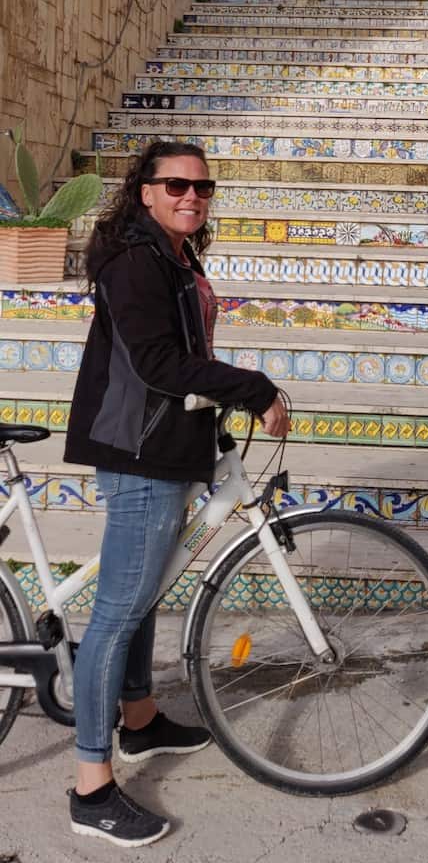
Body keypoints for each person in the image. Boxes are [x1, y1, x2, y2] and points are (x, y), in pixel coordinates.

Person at [63, 140, 290, 847]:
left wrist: (216, 421)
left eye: (203, 186)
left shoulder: (171, 254)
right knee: (117, 612)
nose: (192, 196)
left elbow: (184, 358)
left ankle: (140, 720)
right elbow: (160, 362)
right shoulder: (136, 261)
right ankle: (91, 788)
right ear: (146, 192)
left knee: (144, 595)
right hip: (138, 451)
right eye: (176, 185)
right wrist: (251, 389)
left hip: (165, 443)